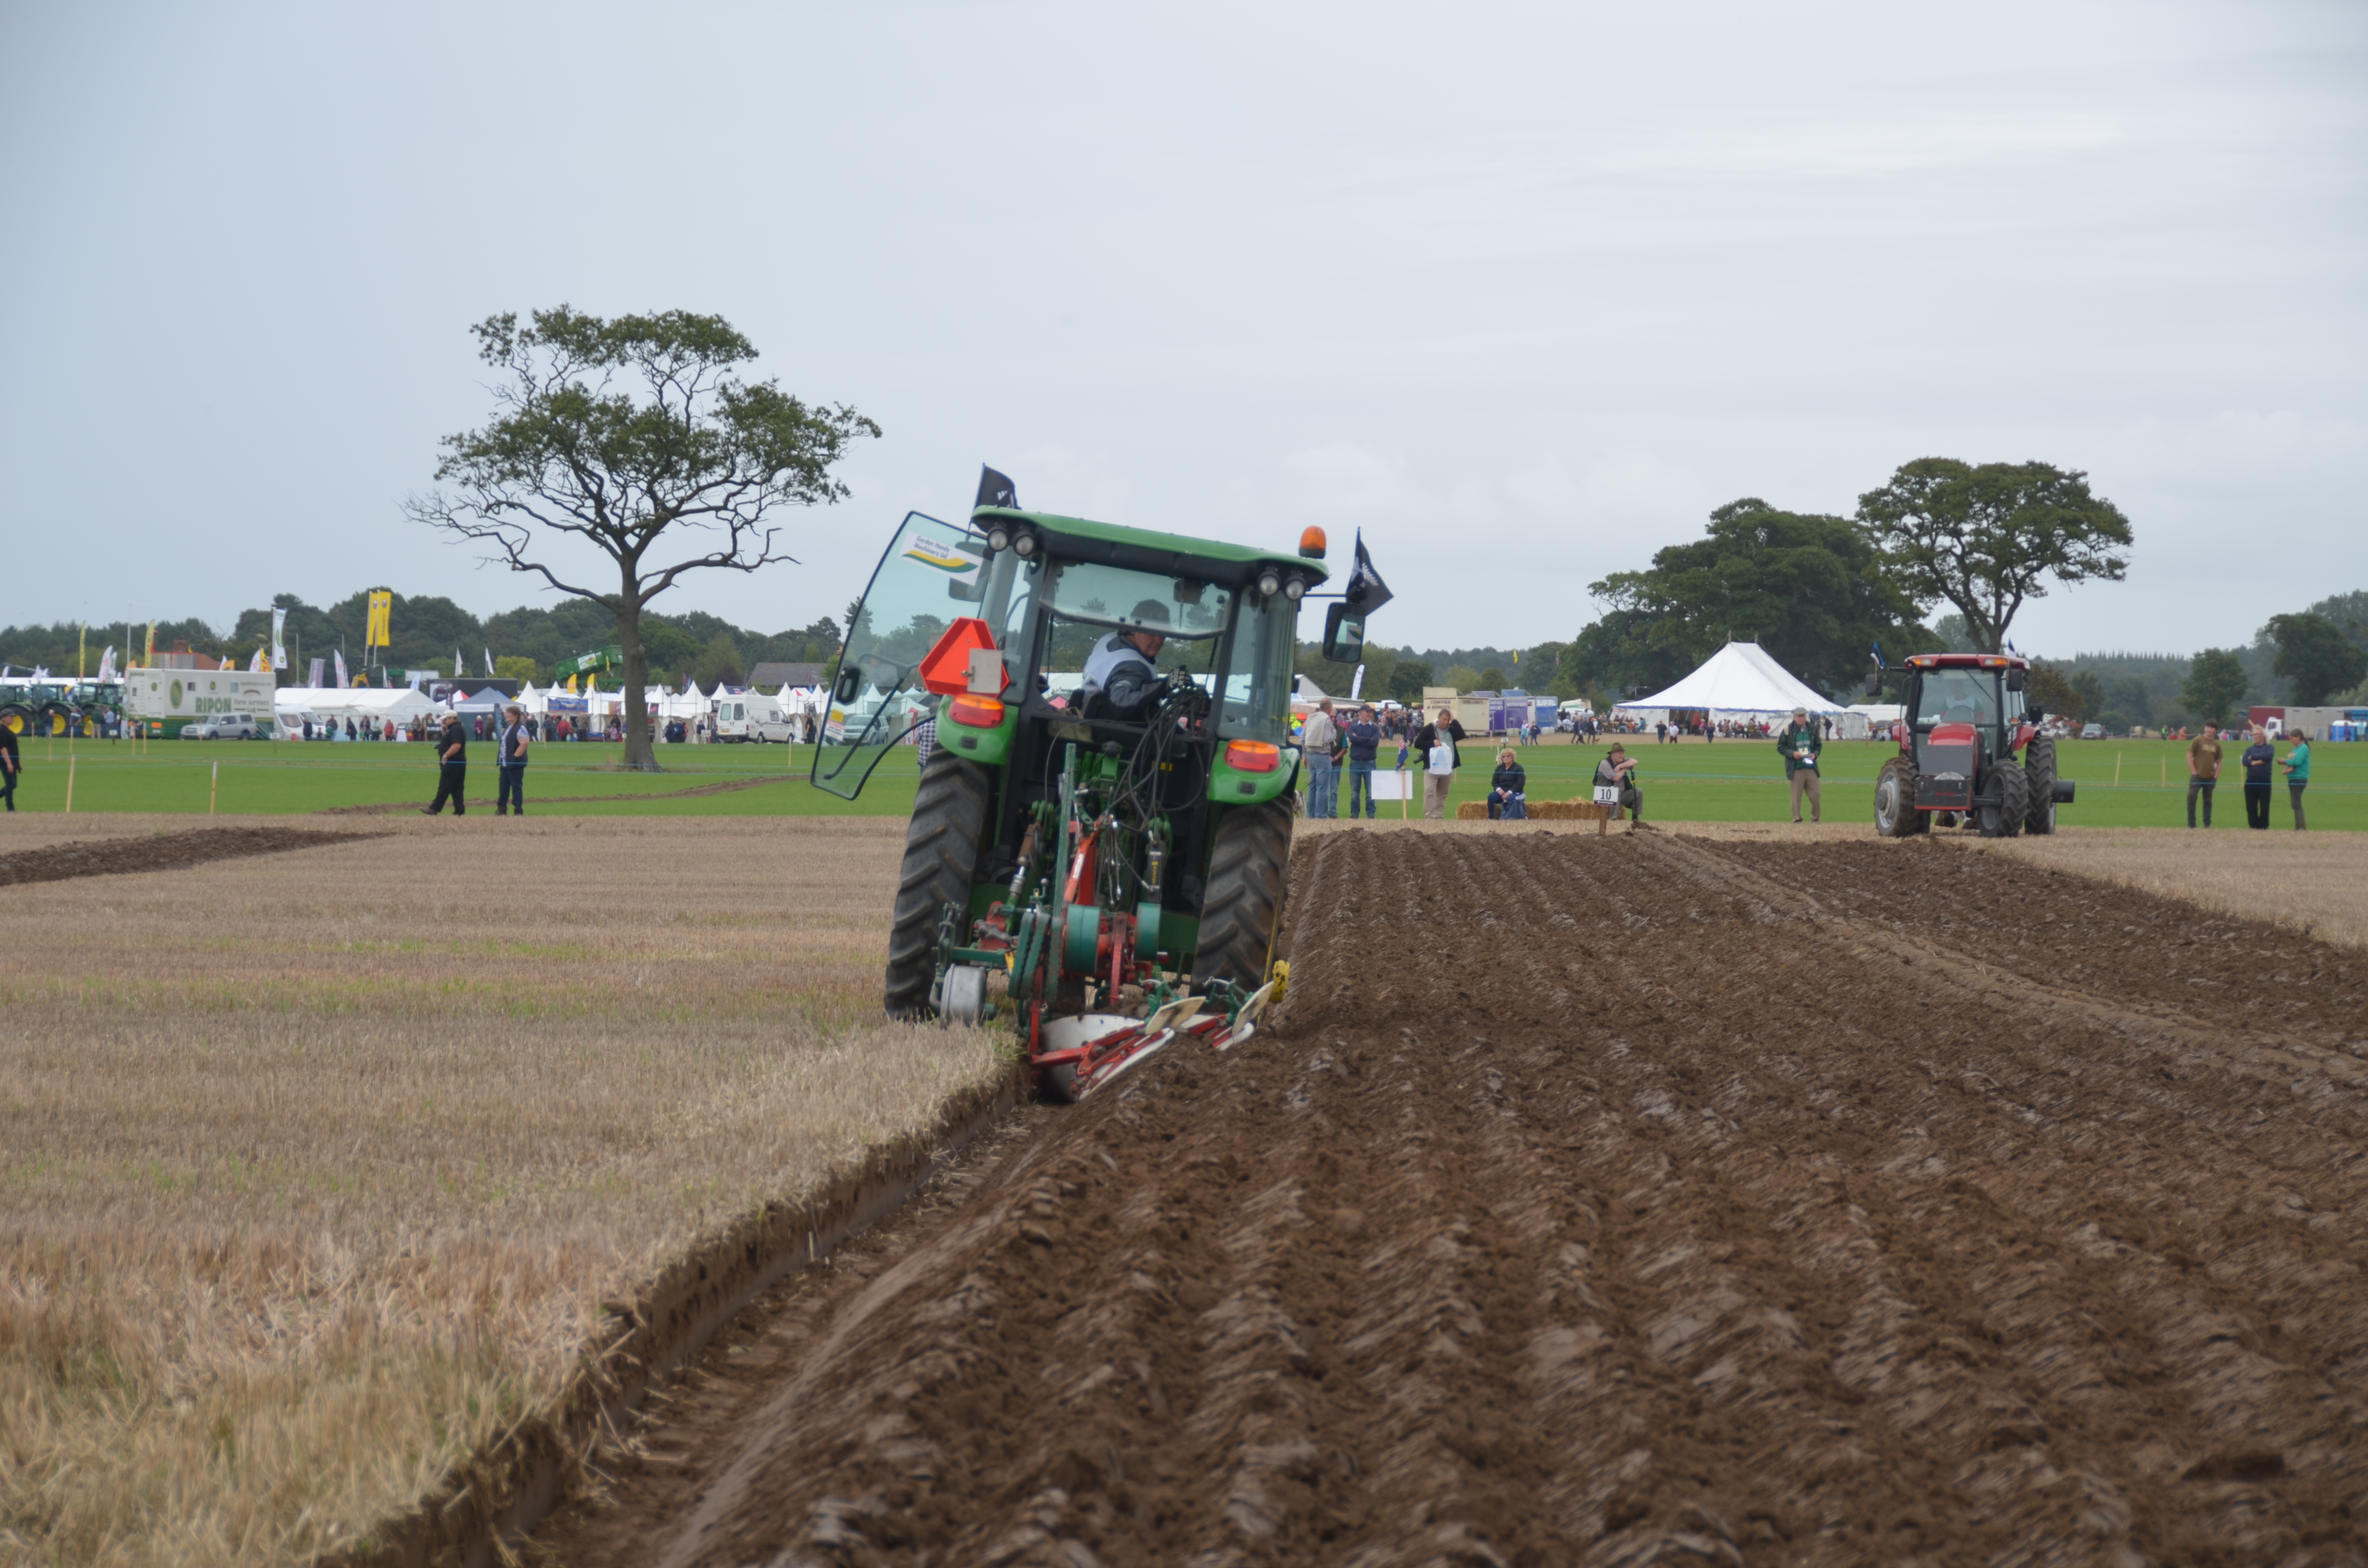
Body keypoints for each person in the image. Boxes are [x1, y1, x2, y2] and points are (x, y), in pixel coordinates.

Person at [1079, 600, 1171, 721]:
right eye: (1152, 634)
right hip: (1105, 728)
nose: (1159, 641)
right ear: (1135, 628)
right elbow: (1120, 703)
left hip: (1083, 715)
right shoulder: (1133, 666)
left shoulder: (1109, 639)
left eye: (1163, 634)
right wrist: (1165, 686)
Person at [1412, 706, 1465, 820]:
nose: (1446, 722)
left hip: (1447, 768)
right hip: (1432, 768)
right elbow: (1418, 744)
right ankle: (1430, 817)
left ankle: (1438, 816)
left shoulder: (1451, 730)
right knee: (1429, 792)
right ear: (1439, 718)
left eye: (1448, 720)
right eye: (1444, 720)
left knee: (1442, 794)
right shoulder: (1429, 729)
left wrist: (1454, 720)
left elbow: (1462, 735)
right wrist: (1432, 743)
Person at [1776, 706, 1823, 824]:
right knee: (1796, 797)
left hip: (1811, 767)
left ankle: (1815, 819)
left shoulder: (1813, 729)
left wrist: (1815, 754)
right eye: (1800, 716)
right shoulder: (1787, 730)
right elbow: (1781, 747)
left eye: (1804, 716)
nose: (1802, 718)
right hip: (1796, 767)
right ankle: (1797, 819)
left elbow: (1818, 746)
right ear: (1794, 717)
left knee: (1816, 795)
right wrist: (1793, 754)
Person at [423, 713, 468, 815]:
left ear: (452, 718)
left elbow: (457, 745)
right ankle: (459, 811)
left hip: (453, 762)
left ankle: (434, 809)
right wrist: (444, 729)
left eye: (446, 719)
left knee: (445, 785)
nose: (444, 721)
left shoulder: (456, 729)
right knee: (456, 787)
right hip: (458, 762)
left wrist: (446, 755)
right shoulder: (454, 728)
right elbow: (449, 741)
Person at [1301, 698, 1339, 818]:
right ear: (1329, 708)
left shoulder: (1310, 717)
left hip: (1311, 754)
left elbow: (1302, 738)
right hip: (1322, 755)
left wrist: (1304, 756)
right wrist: (1334, 733)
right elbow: (1327, 739)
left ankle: (1311, 815)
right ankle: (1320, 815)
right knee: (1322, 788)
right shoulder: (1326, 719)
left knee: (1312, 786)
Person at [1595, 743, 1647, 830]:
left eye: (1623, 753)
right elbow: (1616, 778)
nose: (1622, 756)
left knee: (1639, 792)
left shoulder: (1621, 762)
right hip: (1606, 796)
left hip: (1622, 794)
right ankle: (1613, 819)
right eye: (1620, 753)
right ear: (1613, 754)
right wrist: (1625, 768)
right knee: (1615, 794)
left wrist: (1620, 766)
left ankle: (1635, 819)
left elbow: (1635, 762)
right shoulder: (1604, 763)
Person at [1343, 705, 1381, 819]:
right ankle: (1354, 814)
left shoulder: (1375, 728)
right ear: (1361, 713)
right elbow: (1352, 739)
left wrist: (1359, 739)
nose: (1370, 714)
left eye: (1371, 712)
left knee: (1371, 791)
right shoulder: (1354, 727)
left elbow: (1375, 743)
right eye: (1368, 712)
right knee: (1354, 792)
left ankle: (1371, 814)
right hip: (1355, 762)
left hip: (1370, 762)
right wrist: (1368, 739)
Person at [495, 703, 530, 816]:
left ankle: (518, 810)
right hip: (505, 764)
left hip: (515, 764)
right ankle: (502, 809)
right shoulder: (509, 726)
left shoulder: (520, 728)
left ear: (516, 715)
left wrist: (514, 758)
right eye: (507, 713)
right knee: (503, 787)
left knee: (516, 787)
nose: (506, 715)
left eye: (509, 713)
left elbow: (524, 743)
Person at [2240, 725, 2275, 830]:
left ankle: (2263, 827)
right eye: (2254, 735)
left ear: (2263, 736)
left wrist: (2253, 758)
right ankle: (2253, 826)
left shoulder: (2269, 748)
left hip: (2264, 782)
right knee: (2251, 807)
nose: (2255, 737)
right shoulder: (2249, 749)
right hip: (2251, 782)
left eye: (2258, 734)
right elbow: (2244, 761)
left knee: (2264, 806)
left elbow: (2267, 756)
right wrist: (2256, 763)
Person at [2186, 726, 2222, 828]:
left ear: (2215, 730)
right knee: (2191, 798)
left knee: (2208, 801)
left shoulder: (2216, 745)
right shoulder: (2198, 740)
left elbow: (2219, 762)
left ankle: (2207, 825)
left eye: (2212, 728)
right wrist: (2194, 772)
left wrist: (2216, 777)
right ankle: (2192, 824)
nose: (2209, 730)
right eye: (2208, 727)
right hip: (2197, 776)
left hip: (2210, 777)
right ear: (2205, 728)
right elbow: (2189, 755)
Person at [2283, 728, 2311, 830]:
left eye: (2292, 738)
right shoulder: (2297, 749)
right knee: (2295, 803)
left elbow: (2297, 762)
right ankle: (2299, 827)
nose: (2291, 740)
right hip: (2293, 778)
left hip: (2299, 778)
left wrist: (2285, 761)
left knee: (2296, 803)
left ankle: (2301, 828)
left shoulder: (2303, 748)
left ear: (2299, 737)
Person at [1488, 747, 1527, 820]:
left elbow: (1520, 783)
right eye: (1504, 756)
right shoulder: (1499, 768)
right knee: (1491, 797)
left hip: (1516, 792)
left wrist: (1509, 792)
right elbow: (1494, 782)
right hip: (1502, 793)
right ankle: (1492, 818)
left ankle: (1508, 818)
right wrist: (1499, 790)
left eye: (1508, 756)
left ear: (1513, 757)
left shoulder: (1518, 768)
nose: (1506, 758)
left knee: (1510, 799)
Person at [0, 719, 18, 811]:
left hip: (13, 760)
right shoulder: (2, 730)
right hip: (5, 761)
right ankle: (10, 808)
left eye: (13, 717)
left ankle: (10, 808)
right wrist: (9, 763)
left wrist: (18, 761)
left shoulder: (8, 730)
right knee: (10, 784)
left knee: (13, 785)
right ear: (4, 719)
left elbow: (12, 747)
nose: (12, 719)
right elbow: (3, 748)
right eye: (10, 717)